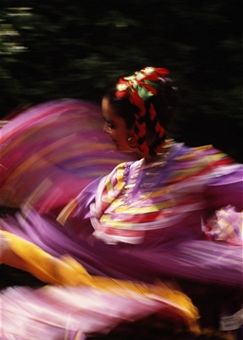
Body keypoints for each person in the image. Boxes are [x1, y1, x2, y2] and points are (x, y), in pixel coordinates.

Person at [0, 66, 242, 338]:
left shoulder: (197, 169)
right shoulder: (120, 179)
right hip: (120, 300)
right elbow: (68, 212)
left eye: (112, 124)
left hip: (170, 311)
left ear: (139, 123)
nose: (106, 131)